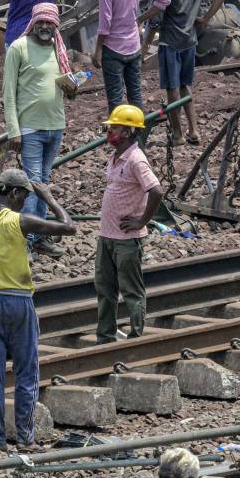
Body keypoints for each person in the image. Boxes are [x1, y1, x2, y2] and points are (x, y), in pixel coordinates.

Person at [0, 168, 76, 450]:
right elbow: (68, 226)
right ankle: (26, 438)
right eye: (24, 195)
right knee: (27, 372)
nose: (26, 200)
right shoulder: (21, 221)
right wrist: (48, 198)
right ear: (13, 193)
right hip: (19, 301)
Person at [2, 1, 80, 228]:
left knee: (44, 183)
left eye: (50, 22)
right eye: (41, 22)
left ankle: (40, 235)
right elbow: (8, 93)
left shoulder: (59, 48)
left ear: (56, 25)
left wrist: (72, 88)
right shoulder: (19, 47)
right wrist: (13, 131)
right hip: (30, 127)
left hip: (55, 125)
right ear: (34, 23)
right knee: (33, 184)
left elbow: (68, 94)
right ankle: (29, 237)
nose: (45, 26)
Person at [96, 105, 163, 343]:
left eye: (114, 128)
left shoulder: (136, 159)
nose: (109, 132)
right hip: (107, 236)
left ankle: (136, 336)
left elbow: (156, 191)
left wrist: (142, 220)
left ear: (127, 131)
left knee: (131, 291)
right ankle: (105, 335)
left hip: (126, 240)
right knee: (105, 289)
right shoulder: (116, 157)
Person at [149, 0, 222, 145]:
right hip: (190, 41)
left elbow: (155, 19)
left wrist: (145, 44)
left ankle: (178, 135)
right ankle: (194, 130)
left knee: (172, 89)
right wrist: (205, 18)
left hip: (169, 42)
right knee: (186, 86)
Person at [93, 0, 168, 111]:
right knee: (135, 95)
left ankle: (118, 136)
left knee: (115, 99)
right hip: (134, 46)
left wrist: (97, 50)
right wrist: (141, 18)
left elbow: (106, 20)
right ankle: (138, 136)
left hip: (113, 49)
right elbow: (164, 0)